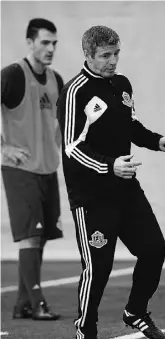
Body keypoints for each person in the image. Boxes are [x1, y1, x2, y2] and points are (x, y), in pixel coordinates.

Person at [56, 25, 165, 339]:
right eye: (105, 56)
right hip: (91, 196)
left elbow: (131, 126)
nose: (113, 61)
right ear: (88, 54)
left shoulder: (121, 84)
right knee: (99, 267)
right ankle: (85, 331)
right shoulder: (75, 92)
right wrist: (108, 165)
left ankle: (135, 310)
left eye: (116, 54)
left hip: (125, 188)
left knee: (155, 250)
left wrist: (158, 141)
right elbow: (72, 147)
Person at [1, 18, 63, 321]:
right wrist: (3, 148)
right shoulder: (13, 75)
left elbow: (62, 125)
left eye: (54, 43)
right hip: (20, 169)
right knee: (30, 236)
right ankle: (37, 302)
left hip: (47, 169)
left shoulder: (56, 80)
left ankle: (22, 304)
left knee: (40, 237)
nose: (51, 48)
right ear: (30, 42)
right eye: (44, 42)